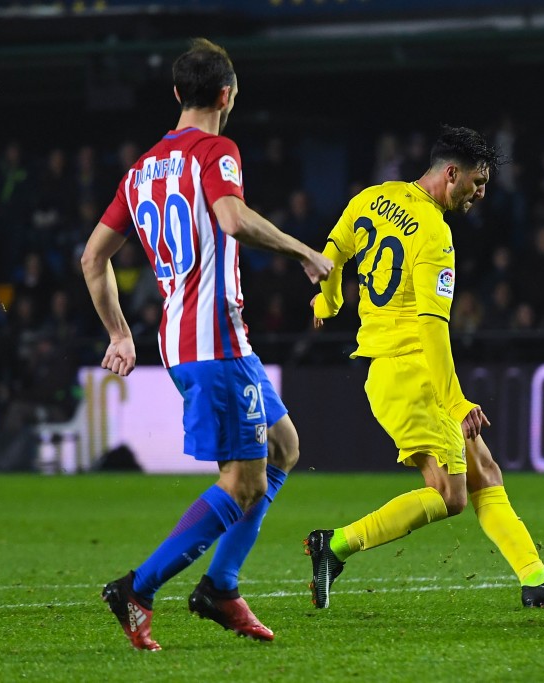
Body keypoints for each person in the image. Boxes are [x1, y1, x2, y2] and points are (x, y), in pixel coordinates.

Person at [80, 38, 333, 650]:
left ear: (176, 94)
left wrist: (119, 332)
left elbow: (93, 258)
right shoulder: (217, 149)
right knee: (244, 480)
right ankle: (138, 587)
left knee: (283, 446)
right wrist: (304, 252)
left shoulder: (140, 169)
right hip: (212, 339)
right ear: (227, 95)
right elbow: (231, 218)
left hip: (192, 338)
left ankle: (220, 586)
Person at [305, 125, 544, 610]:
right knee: (449, 496)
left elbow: (333, 250)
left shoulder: (371, 198)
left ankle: (536, 578)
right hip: (412, 374)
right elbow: (431, 325)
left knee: (485, 473)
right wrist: (455, 398)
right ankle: (337, 544)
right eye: (478, 182)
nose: (481, 193)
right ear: (451, 173)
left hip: (388, 371)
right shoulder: (434, 233)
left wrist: (329, 297)